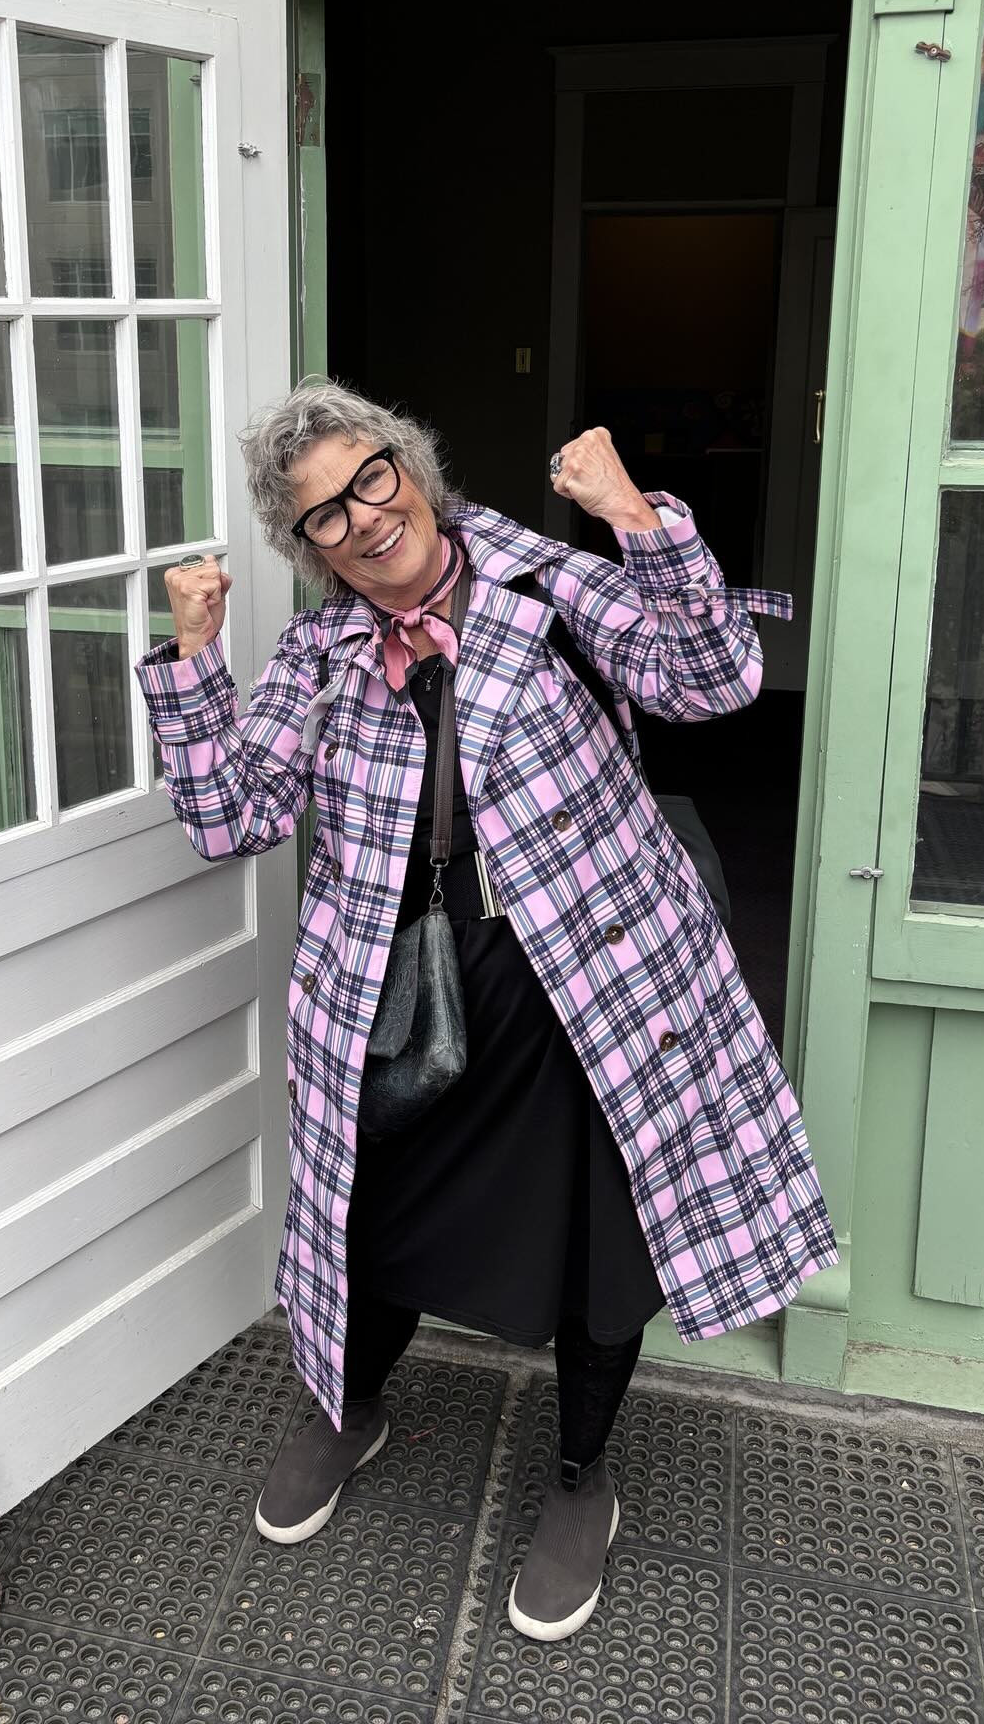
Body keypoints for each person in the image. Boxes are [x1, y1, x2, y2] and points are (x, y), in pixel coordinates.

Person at [134, 379, 836, 1643]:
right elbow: (227, 816)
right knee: (367, 1214)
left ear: (414, 470)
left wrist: (634, 514)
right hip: (411, 990)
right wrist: (191, 661)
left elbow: (718, 677)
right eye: (322, 518)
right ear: (306, 550)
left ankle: (580, 1478)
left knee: (593, 1250)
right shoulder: (320, 653)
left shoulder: (546, 586)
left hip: (593, 985)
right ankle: (352, 1402)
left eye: (372, 480)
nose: (361, 521)